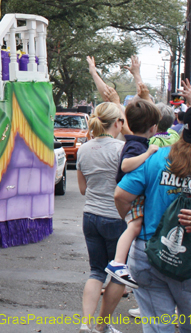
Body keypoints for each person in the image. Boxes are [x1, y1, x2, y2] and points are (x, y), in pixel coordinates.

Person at [115, 103, 191, 332]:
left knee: (157, 327)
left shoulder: (158, 157)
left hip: (149, 252)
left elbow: (121, 195)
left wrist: (131, 220)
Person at [76, 102, 127, 333]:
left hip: (90, 216)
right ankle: (102, 325)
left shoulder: (83, 149)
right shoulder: (121, 149)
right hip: (115, 218)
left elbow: (83, 189)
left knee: (95, 271)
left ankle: (86, 323)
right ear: (118, 123)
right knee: (117, 274)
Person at [104, 98, 160, 289]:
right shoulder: (137, 146)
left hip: (132, 195)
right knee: (134, 226)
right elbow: (126, 165)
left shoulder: (135, 142)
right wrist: (148, 154)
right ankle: (119, 262)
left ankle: (119, 261)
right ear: (153, 128)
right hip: (132, 196)